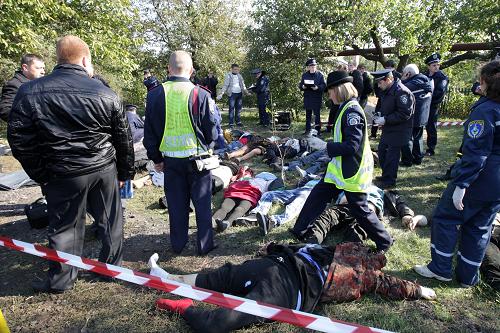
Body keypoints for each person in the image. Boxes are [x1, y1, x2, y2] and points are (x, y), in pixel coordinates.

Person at [7, 35, 135, 293]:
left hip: (65, 171)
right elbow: (124, 138)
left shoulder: (30, 91)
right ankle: (111, 268)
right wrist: (124, 172)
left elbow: (20, 140)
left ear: (58, 58)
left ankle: (63, 279)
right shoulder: (104, 92)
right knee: (110, 221)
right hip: (99, 168)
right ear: (85, 59)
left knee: (66, 226)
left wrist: (41, 173)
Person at [149, 242, 436, 333]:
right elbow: (389, 283)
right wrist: (418, 290)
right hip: (284, 280)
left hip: (279, 271)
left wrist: (273, 248)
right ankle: (170, 288)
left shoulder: (346, 252)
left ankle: (171, 287)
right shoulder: (363, 273)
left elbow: (304, 245)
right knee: (218, 301)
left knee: (218, 283)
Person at [414, 60, 500, 287]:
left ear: (486, 83)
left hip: (480, 178)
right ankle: (468, 276)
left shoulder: (485, 111)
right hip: (497, 184)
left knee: (446, 217)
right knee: (480, 227)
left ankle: (440, 268)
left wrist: (462, 185)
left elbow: (477, 153)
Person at [291, 70, 393, 252]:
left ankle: (384, 241)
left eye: (330, 91)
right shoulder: (346, 107)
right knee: (318, 195)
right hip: (339, 168)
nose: (329, 96)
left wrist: (324, 146)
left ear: (338, 89)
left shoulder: (352, 110)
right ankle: (300, 230)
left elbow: (351, 146)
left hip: (353, 170)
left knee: (360, 209)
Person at [143, 50, 218, 255]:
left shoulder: (155, 94)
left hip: (170, 161)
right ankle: (204, 245)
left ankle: (178, 244)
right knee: (202, 204)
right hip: (198, 160)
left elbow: (149, 131)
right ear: (192, 70)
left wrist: (156, 158)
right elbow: (211, 129)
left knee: (176, 205)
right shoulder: (201, 94)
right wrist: (209, 145)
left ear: (168, 69)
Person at [298, 185, 427, 245]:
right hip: (344, 207)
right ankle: (310, 245)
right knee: (327, 217)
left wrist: (407, 215)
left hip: (367, 212)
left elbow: (400, 204)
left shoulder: (383, 192)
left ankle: (343, 254)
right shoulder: (347, 183)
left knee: (358, 230)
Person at [371, 69, 415, 188]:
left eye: (380, 83)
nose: (379, 86)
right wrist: (380, 114)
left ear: (389, 79)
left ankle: (389, 181)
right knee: (382, 151)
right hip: (389, 128)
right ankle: (386, 175)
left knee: (392, 156)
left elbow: (405, 113)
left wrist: (386, 119)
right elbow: (388, 107)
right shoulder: (388, 90)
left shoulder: (402, 92)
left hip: (399, 129)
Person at [400, 64, 433, 166]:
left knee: (406, 138)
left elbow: (400, 87)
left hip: (411, 116)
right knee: (418, 138)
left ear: (408, 73)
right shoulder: (426, 81)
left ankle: (407, 160)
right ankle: (418, 159)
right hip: (422, 116)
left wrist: (402, 79)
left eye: (404, 73)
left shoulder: (410, 85)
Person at [0, 54, 45, 122]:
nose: (43, 72)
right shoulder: (15, 84)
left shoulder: (38, 84)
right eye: (38, 68)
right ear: (25, 67)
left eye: (43, 68)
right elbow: (5, 111)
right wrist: (32, 121)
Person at [424, 53, 449, 156]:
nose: (436, 67)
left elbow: (439, 93)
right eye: (434, 65)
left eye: (437, 64)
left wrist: (428, 99)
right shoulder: (424, 76)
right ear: (429, 66)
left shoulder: (442, 77)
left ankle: (431, 149)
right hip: (423, 105)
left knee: (431, 127)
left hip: (432, 105)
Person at [370, 60, 402, 139]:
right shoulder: (382, 80)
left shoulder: (400, 88)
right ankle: (373, 133)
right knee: (377, 114)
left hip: (396, 133)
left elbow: (402, 113)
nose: (378, 85)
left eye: (389, 68)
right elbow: (376, 86)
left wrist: (385, 119)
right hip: (382, 98)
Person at [298, 58, 326, 135]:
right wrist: (302, 87)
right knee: (308, 115)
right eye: (311, 66)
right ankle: (307, 130)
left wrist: (317, 87)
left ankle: (317, 131)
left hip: (316, 97)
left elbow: (324, 85)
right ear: (308, 67)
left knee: (317, 115)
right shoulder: (305, 75)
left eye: (314, 65)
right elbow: (300, 85)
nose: (313, 67)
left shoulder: (320, 75)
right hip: (308, 97)